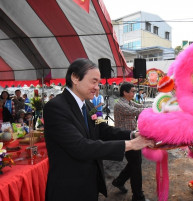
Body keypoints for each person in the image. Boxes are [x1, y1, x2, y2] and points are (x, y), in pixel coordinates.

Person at [43, 58, 154, 201]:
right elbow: (80, 146)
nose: (97, 87)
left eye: (98, 83)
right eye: (93, 81)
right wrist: (131, 145)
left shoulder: (88, 105)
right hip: (69, 187)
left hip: (90, 182)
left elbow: (102, 129)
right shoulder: (56, 107)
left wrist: (132, 134)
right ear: (75, 78)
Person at [113, 82, 148, 201]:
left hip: (132, 135)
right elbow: (136, 111)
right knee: (136, 165)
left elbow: (139, 107)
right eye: (132, 91)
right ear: (125, 92)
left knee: (134, 163)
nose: (134, 93)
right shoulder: (120, 104)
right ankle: (138, 196)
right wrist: (155, 110)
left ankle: (119, 181)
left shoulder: (128, 101)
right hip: (126, 138)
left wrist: (155, 107)